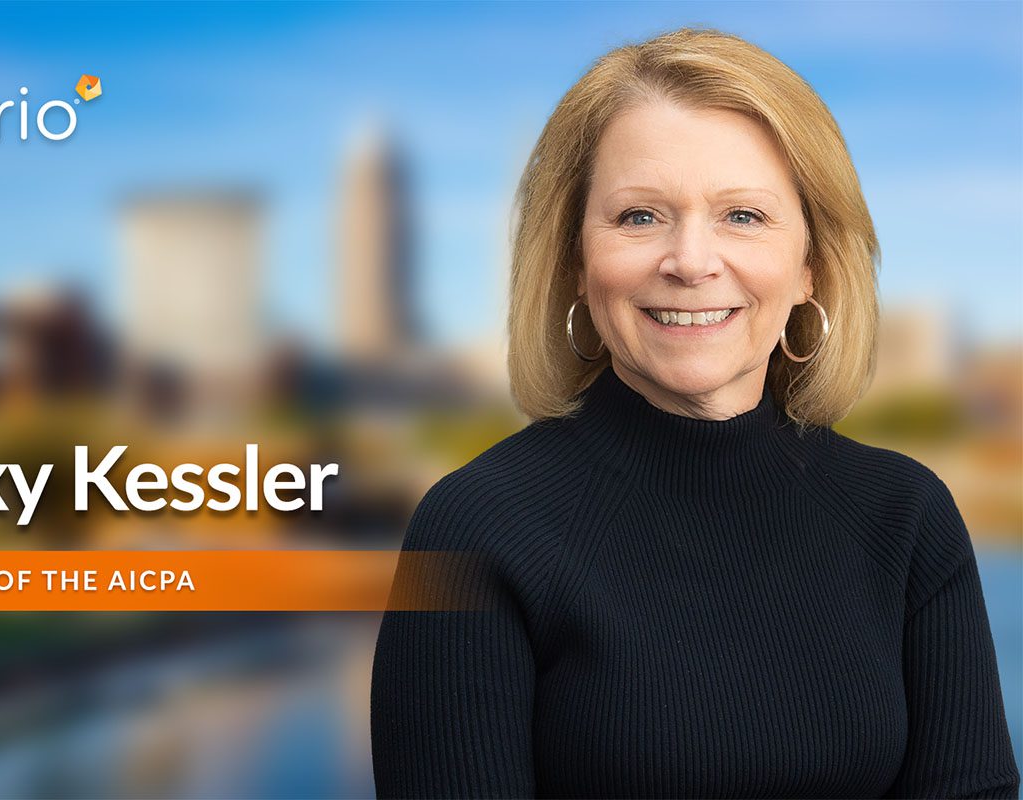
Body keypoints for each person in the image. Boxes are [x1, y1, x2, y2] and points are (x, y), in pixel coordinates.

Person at [369, 26, 1019, 800]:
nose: (691, 260)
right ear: (577, 261)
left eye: (743, 215)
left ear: (810, 265)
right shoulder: (474, 530)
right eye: (640, 216)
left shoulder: (906, 518)